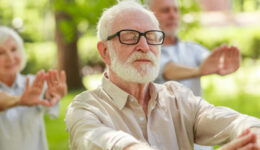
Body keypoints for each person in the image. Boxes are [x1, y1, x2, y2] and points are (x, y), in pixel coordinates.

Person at [65, 1, 260, 150]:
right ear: (105, 51)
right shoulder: (85, 108)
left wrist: (253, 134)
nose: (144, 46)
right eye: (130, 36)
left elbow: (231, 121)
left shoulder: (178, 98)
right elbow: (113, 144)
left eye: (151, 36)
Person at [145, 0, 240, 97]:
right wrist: (198, 70)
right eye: (165, 10)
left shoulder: (192, 49)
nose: (172, 15)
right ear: (149, 17)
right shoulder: (145, 51)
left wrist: (222, 64)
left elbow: (209, 59)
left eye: (176, 10)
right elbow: (167, 70)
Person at [0, 26, 67, 150]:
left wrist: (50, 96)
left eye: (14, 49)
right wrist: (20, 100)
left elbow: (47, 103)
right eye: (1, 53)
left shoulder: (33, 83)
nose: (10, 57)